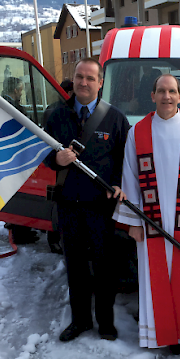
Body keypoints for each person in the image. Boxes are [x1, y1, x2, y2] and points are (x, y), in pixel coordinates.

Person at [114, 74, 180, 354]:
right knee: (156, 274)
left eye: (172, 91)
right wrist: (133, 222)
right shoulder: (139, 131)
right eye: (161, 91)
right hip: (151, 217)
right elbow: (130, 177)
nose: (167, 96)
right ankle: (163, 333)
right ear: (153, 95)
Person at [44, 58, 131, 343]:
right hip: (68, 204)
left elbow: (124, 159)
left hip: (101, 207)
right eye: (80, 77)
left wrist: (118, 183)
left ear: (100, 82)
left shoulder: (115, 118)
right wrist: (56, 159)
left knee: (105, 268)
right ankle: (80, 321)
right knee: (76, 267)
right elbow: (41, 152)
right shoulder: (56, 114)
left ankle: (106, 323)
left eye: (90, 78)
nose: (84, 82)